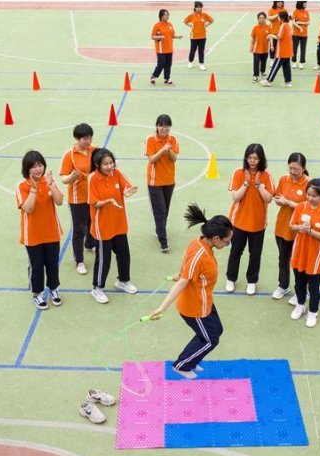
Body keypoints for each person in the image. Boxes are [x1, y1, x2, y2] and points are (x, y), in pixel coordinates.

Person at [149, 204, 233, 379]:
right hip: (195, 308)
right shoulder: (200, 255)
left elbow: (185, 261)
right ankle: (181, 365)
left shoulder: (199, 241)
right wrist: (162, 308)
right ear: (216, 238)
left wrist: (181, 273)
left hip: (205, 301)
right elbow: (182, 283)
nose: (228, 244)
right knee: (211, 339)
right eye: (227, 241)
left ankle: (192, 360)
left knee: (217, 330)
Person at [87, 148, 139, 304]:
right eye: (106, 164)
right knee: (104, 259)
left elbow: (127, 188)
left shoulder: (117, 173)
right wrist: (108, 201)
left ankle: (123, 281)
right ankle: (97, 288)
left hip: (119, 223)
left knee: (124, 254)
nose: (110, 166)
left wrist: (130, 192)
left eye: (111, 163)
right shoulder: (92, 179)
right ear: (97, 165)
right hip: (102, 226)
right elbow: (94, 203)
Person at [15, 151, 65, 311]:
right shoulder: (22, 186)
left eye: (40, 165)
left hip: (52, 232)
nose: (38, 169)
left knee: (52, 264)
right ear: (27, 169)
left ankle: (53, 289)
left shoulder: (49, 181)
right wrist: (34, 190)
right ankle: (37, 293)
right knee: (36, 267)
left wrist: (51, 185)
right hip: (33, 235)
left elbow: (59, 201)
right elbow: (28, 209)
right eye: (34, 166)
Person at [225, 144, 274, 295]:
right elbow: (235, 197)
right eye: (250, 158)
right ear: (246, 158)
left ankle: (251, 281)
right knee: (235, 252)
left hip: (258, 223)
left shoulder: (267, 176)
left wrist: (259, 185)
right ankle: (231, 278)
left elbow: (269, 199)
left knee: (255, 254)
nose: (252, 161)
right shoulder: (238, 173)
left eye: (256, 158)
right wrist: (246, 183)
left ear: (261, 159)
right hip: (238, 221)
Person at [289, 178, 320, 328]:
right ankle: (300, 305)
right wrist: (300, 228)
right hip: (300, 253)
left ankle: (313, 312)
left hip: (316, 256)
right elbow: (292, 225)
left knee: (314, 287)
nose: (309, 198)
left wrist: (310, 231)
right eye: (308, 194)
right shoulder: (301, 207)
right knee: (299, 282)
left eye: (313, 196)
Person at [271, 153, 309, 302]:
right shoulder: (283, 179)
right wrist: (279, 201)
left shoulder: (308, 184)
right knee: (283, 259)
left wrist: (288, 202)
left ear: (303, 168)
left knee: (299, 262)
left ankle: (301, 292)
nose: (293, 172)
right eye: (290, 168)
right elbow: (277, 196)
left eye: (296, 169)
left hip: (299, 231)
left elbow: (307, 208)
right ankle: (283, 286)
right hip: (282, 226)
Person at [60, 123, 97, 275]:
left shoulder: (94, 150)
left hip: (93, 196)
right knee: (79, 229)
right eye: (85, 138)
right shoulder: (70, 155)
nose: (88, 141)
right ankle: (79, 260)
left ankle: (90, 244)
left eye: (90, 137)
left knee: (92, 222)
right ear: (77, 138)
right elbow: (63, 177)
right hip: (77, 199)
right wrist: (71, 177)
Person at [145, 114, 180, 253]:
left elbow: (174, 159)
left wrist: (169, 149)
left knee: (165, 210)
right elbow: (151, 160)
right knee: (160, 211)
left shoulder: (174, 140)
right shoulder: (150, 140)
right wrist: (162, 149)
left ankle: (159, 230)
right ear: (157, 126)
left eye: (166, 125)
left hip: (169, 180)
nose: (164, 128)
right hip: (155, 182)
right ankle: (163, 241)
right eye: (161, 125)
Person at [151, 9, 183, 86]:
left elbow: (172, 35)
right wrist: (160, 37)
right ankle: (153, 76)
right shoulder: (157, 25)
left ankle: (167, 79)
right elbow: (152, 36)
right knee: (161, 64)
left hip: (169, 49)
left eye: (168, 14)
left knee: (168, 65)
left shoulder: (170, 24)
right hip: (161, 50)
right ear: (161, 16)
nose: (167, 16)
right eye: (165, 14)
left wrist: (177, 37)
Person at [261, 11, 293, 87]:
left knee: (276, 65)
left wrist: (270, 35)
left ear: (281, 18)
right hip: (288, 51)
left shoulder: (283, 26)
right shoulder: (288, 26)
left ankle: (269, 80)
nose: (277, 18)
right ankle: (288, 81)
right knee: (286, 66)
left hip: (282, 51)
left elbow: (279, 37)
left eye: (278, 17)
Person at [184, 1, 214, 71]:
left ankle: (201, 64)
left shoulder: (204, 15)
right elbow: (185, 21)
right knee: (193, 50)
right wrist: (190, 26)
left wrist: (206, 25)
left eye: (200, 7)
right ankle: (190, 62)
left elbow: (211, 20)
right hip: (194, 36)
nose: (199, 8)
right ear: (195, 8)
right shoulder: (191, 15)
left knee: (201, 51)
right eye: (197, 7)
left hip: (202, 36)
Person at [250, 12, 272, 82]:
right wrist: (251, 47)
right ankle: (255, 76)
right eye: (260, 18)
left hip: (265, 49)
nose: (261, 19)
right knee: (256, 62)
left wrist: (272, 45)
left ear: (265, 19)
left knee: (264, 61)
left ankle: (262, 71)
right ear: (258, 19)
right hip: (256, 49)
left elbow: (270, 37)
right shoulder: (255, 28)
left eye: (263, 18)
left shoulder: (268, 27)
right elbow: (252, 38)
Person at [291, 1, 310, 70]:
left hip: (304, 34)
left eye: (306, 3)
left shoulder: (306, 12)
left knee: (303, 48)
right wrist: (300, 27)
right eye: (305, 3)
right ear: (301, 4)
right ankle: (294, 62)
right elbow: (293, 22)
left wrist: (300, 22)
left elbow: (308, 22)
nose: (306, 4)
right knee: (294, 48)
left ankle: (301, 63)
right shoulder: (295, 11)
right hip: (295, 33)